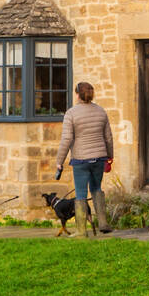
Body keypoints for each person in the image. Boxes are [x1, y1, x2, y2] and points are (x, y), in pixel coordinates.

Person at [55, 82, 114, 236]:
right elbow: (108, 137)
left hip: (81, 160)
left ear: (77, 95)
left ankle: (82, 231)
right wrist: (109, 156)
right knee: (96, 189)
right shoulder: (101, 111)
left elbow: (66, 139)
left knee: (81, 194)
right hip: (99, 158)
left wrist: (59, 161)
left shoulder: (71, 113)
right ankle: (103, 223)